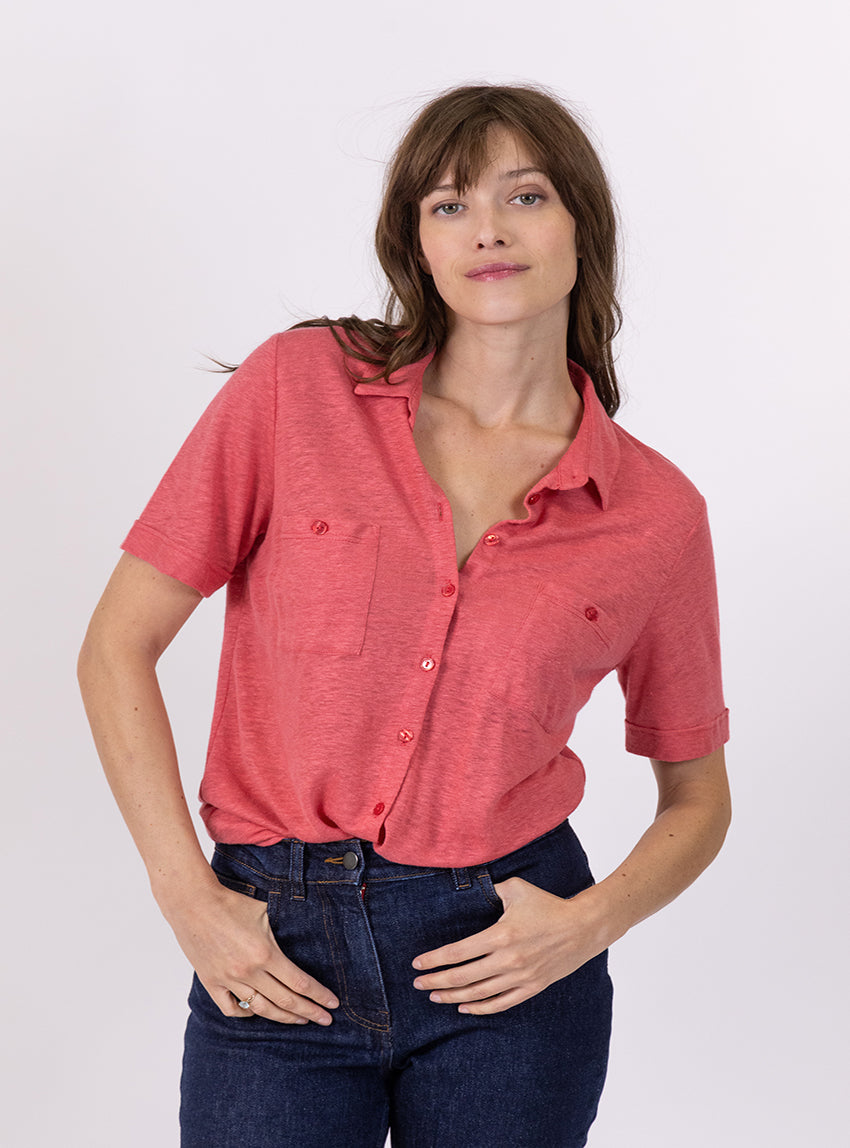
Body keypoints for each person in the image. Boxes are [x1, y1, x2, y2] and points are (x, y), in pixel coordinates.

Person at [78, 83, 731, 1147]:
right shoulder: (299, 389)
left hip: (508, 962)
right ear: (416, 243)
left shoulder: (654, 514)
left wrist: (584, 927)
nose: (487, 229)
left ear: (582, 228)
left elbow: (697, 796)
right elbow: (116, 647)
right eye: (449, 204)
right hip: (273, 949)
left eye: (525, 196)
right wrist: (187, 895)